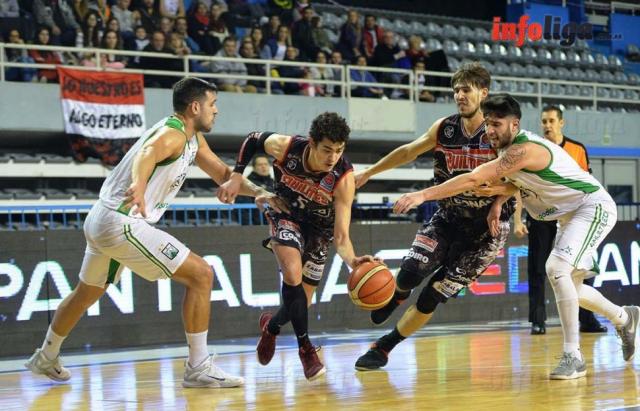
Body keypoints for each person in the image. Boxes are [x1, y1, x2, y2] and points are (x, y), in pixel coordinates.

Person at [25, 77, 285, 388]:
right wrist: (138, 184)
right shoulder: (173, 134)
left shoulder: (192, 139)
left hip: (101, 218)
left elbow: (223, 174)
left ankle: (46, 355)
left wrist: (260, 192)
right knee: (201, 275)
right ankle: (198, 367)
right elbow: (147, 153)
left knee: (86, 293)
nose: (216, 111)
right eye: (212, 104)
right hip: (122, 221)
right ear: (195, 107)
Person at [392, 93, 639, 380]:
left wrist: (422, 195)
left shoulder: (523, 149)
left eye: (496, 124)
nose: (490, 130)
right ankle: (625, 317)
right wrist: (498, 200)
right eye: (487, 123)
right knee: (571, 287)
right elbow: (517, 183)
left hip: (591, 206)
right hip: (568, 215)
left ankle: (574, 357)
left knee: (556, 268)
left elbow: (474, 177)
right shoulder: (506, 150)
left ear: (514, 124)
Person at [353, 62, 514, 371]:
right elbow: (408, 151)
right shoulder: (445, 128)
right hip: (448, 217)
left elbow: (522, 181)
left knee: (432, 295)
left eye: (466, 90)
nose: (459, 96)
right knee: (409, 274)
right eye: (456, 90)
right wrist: (370, 172)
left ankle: (384, 346)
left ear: (484, 93)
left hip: (485, 233)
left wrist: (500, 199)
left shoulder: (498, 133)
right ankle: (397, 295)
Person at [216, 112, 379, 380]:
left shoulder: (343, 178)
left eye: (339, 150)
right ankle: (306, 349)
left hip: (319, 232)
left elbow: (341, 237)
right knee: (292, 273)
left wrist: (352, 261)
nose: (333, 157)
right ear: (312, 143)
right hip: (286, 213)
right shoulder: (288, 147)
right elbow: (254, 139)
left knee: (302, 302)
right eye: (327, 149)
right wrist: (236, 175)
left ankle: (271, 327)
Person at [519, 105, 606, 335]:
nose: (547, 125)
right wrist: (518, 219)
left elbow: (587, 182)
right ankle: (538, 320)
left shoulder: (577, 149)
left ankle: (587, 319)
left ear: (561, 123)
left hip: (572, 215)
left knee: (581, 266)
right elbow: (519, 186)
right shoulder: (532, 150)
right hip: (542, 215)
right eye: (544, 121)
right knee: (538, 268)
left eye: (551, 121)